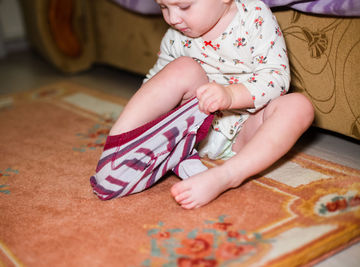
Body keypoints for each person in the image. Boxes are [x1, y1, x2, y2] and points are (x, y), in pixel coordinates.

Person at [90, 0, 314, 209]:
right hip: (192, 129)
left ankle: (227, 176)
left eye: (184, 6)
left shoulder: (254, 16)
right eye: (163, 7)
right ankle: (120, 142)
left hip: (246, 130)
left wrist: (230, 95)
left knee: (298, 106)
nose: (173, 18)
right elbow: (155, 87)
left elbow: (276, 78)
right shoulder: (174, 35)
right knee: (183, 68)